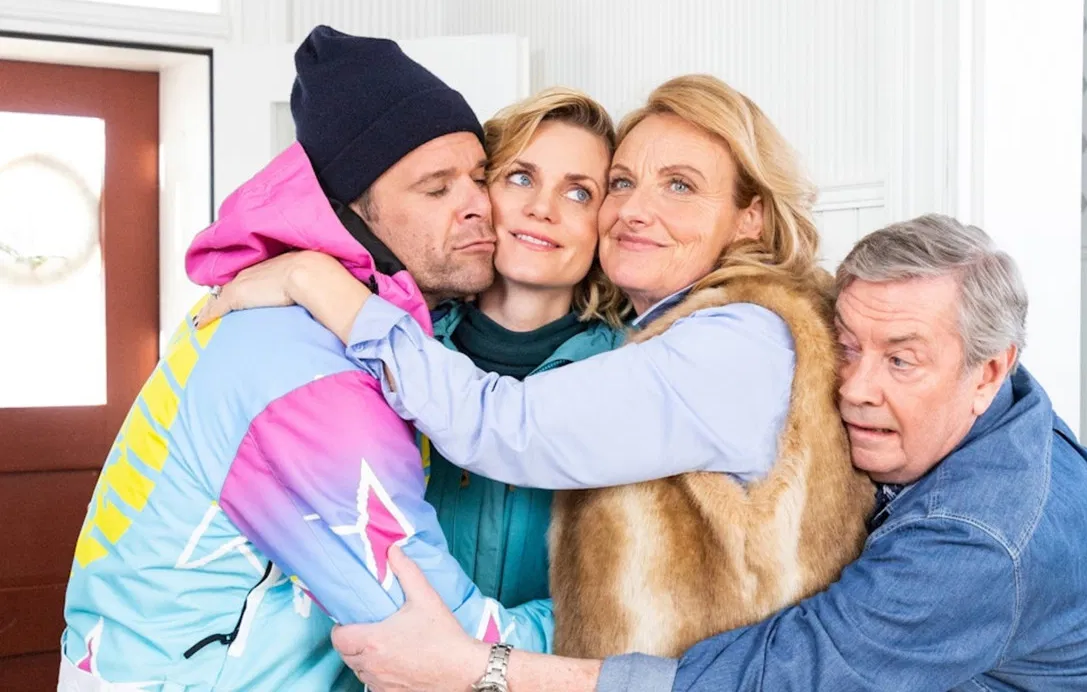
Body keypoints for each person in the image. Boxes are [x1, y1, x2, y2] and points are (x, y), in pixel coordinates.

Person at [305, 215, 1087, 691]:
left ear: (989, 370)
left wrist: (479, 671)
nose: (855, 388)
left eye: (902, 360)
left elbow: (779, 681)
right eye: (847, 348)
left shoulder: (979, 537)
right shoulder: (984, 406)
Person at [195, 74, 877, 672]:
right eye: (622, 184)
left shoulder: (705, 351)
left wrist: (317, 280)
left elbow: (508, 429)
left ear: (751, 216)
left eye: (582, 191)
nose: (631, 210)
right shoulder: (391, 349)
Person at [57, 26, 580, 690]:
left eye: (479, 177)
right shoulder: (307, 378)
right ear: (352, 212)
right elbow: (449, 644)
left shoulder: (293, 313)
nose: (481, 206)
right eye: (436, 189)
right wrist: (647, 621)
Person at [423, 86, 629, 640]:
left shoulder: (634, 373)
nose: (543, 208)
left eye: (579, 193)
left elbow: (634, 593)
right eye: (520, 178)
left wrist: (483, 655)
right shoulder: (405, 349)